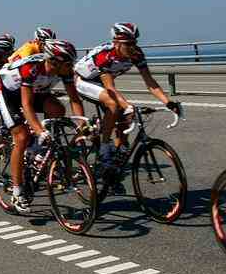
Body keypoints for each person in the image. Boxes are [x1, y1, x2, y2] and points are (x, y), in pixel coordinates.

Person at [74, 22, 181, 168]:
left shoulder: (136, 53)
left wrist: (168, 102)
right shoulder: (106, 56)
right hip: (84, 81)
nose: (132, 47)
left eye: (134, 43)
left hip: (103, 84)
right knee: (115, 104)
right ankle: (104, 148)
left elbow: (149, 81)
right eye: (127, 44)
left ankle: (119, 152)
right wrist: (127, 106)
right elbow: (110, 87)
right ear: (116, 43)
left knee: (124, 115)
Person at [0, 38, 85, 211]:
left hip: (36, 91)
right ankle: (17, 191)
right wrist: (40, 131)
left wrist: (82, 126)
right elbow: (27, 105)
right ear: (54, 62)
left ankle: (36, 151)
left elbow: (74, 99)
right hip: (9, 95)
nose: (71, 67)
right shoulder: (32, 68)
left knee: (58, 109)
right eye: (68, 63)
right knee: (21, 137)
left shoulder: (64, 70)